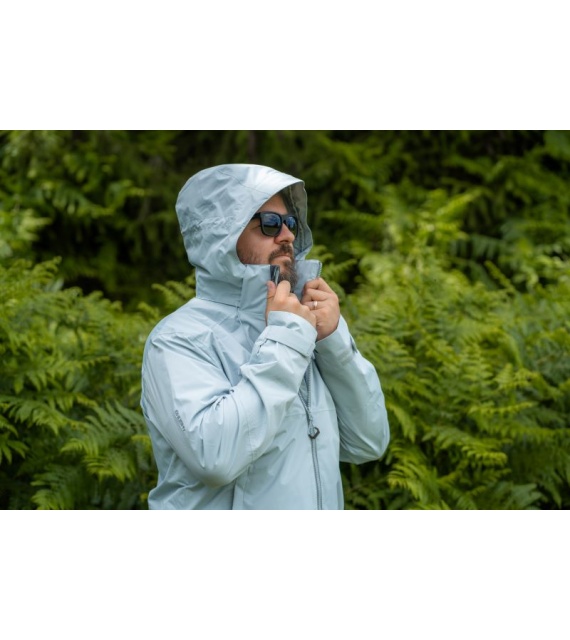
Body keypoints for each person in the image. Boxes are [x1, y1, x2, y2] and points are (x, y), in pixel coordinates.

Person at [140, 163, 389, 509]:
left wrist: (332, 341)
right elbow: (215, 457)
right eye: (269, 223)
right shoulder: (178, 339)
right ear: (221, 237)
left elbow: (367, 442)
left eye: (291, 223)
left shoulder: (301, 326)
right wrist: (286, 338)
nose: (287, 236)